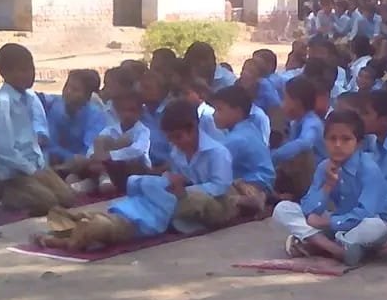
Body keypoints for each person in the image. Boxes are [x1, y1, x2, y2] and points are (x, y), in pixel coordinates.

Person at [30, 101, 260, 251]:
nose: (175, 143)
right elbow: (176, 175)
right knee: (141, 199)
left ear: (193, 128)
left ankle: (84, 232)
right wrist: (168, 182)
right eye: (171, 139)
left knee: (189, 201)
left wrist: (183, 190)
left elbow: (219, 187)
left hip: (211, 202)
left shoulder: (217, 152)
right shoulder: (178, 151)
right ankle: (79, 225)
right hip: (179, 198)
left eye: (178, 137)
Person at [272, 110, 387, 266]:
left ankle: (316, 243)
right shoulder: (324, 167)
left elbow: (365, 212)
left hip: (361, 227)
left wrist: (328, 222)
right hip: (336, 225)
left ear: (359, 143)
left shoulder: (369, 169)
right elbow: (308, 208)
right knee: (283, 209)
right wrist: (327, 186)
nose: (338, 145)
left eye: (346, 139)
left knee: (375, 226)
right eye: (332, 139)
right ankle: (335, 249)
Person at [0, 44, 75, 216]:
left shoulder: (30, 97)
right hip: (14, 172)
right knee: (48, 202)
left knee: (67, 198)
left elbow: (34, 136)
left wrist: (40, 168)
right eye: (23, 70)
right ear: (5, 73)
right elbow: (3, 151)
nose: (30, 74)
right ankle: (5, 193)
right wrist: (31, 171)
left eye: (31, 68)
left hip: (36, 165)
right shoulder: (2, 104)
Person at [66, 89, 151, 196]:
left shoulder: (143, 131)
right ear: (117, 111)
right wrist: (94, 157)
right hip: (107, 166)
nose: (127, 114)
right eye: (123, 110)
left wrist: (109, 155)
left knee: (124, 148)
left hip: (134, 168)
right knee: (99, 142)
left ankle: (97, 179)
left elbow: (137, 150)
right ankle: (100, 179)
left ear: (140, 112)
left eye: (132, 110)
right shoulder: (110, 130)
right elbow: (93, 149)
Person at [213, 85, 274, 209]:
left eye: (219, 109)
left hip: (253, 183)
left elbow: (212, 164)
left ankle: (249, 200)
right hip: (264, 181)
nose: (214, 114)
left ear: (237, 111)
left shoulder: (237, 139)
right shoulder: (249, 128)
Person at [271, 77, 323, 200]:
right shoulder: (296, 122)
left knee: (300, 152)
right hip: (299, 176)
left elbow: (305, 143)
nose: (282, 103)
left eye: (285, 98)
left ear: (297, 102)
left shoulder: (312, 123)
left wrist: (273, 156)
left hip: (317, 179)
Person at [46, 70, 108, 171]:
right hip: (59, 161)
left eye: (75, 90)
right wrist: (69, 157)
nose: (68, 92)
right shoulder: (56, 108)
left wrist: (75, 160)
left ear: (88, 96)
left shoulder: (96, 116)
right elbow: (50, 144)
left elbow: (90, 150)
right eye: (67, 86)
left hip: (85, 166)